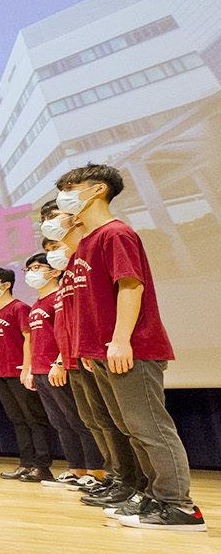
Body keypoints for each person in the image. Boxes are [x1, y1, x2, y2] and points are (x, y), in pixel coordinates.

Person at [55, 164, 202, 530]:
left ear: (97, 189)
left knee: (149, 427)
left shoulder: (116, 233)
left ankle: (180, 506)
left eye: (71, 188)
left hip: (129, 348)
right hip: (100, 353)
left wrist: (121, 339)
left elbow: (130, 286)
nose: (64, 196)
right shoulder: (85, 243)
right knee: (130, 427)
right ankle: (154, 496)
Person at [22, 250, 104, 489]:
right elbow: (36, 340)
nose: (31, 273)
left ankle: (95, 472)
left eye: (37, 268)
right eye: (29, 269)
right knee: (60, 423)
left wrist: (60, 362)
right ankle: (75, 470)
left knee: (78, 419)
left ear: (55, 271)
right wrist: (31, 369)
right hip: (41, 371)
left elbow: (68, 331)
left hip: (59, 368)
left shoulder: (60, 297)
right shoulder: (36, 304)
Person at [0, 267, 53, 482]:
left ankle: (42, 466)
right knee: (18, 420)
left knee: (34, 419)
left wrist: (27, 367)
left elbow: (29, 338)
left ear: (6, 285)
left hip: (19, 371)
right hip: (0, 373)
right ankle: (26, 464)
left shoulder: (19, 308)